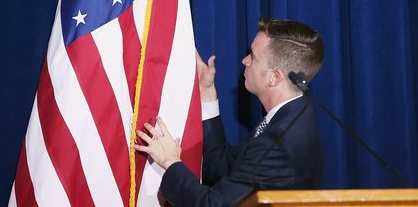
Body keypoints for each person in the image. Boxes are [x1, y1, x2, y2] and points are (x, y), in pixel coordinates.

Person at [134, 17, 325, 206]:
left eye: (253, 56)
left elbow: (214, 204)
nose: (245, 60)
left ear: (274, 78)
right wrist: (206, 92)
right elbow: (221, 167)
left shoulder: (278, 142)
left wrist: (170, 162)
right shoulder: (293, 114)